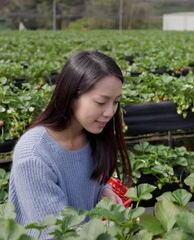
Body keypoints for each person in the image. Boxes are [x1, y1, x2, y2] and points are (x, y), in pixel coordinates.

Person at [8, 50, 132, 238]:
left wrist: (103, 191)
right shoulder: (33, 156)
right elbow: (58, 233)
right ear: (72, 96)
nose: (109, 112)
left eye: (116, 102)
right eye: (100, 102)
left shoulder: (92, 136)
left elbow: (91, 184)